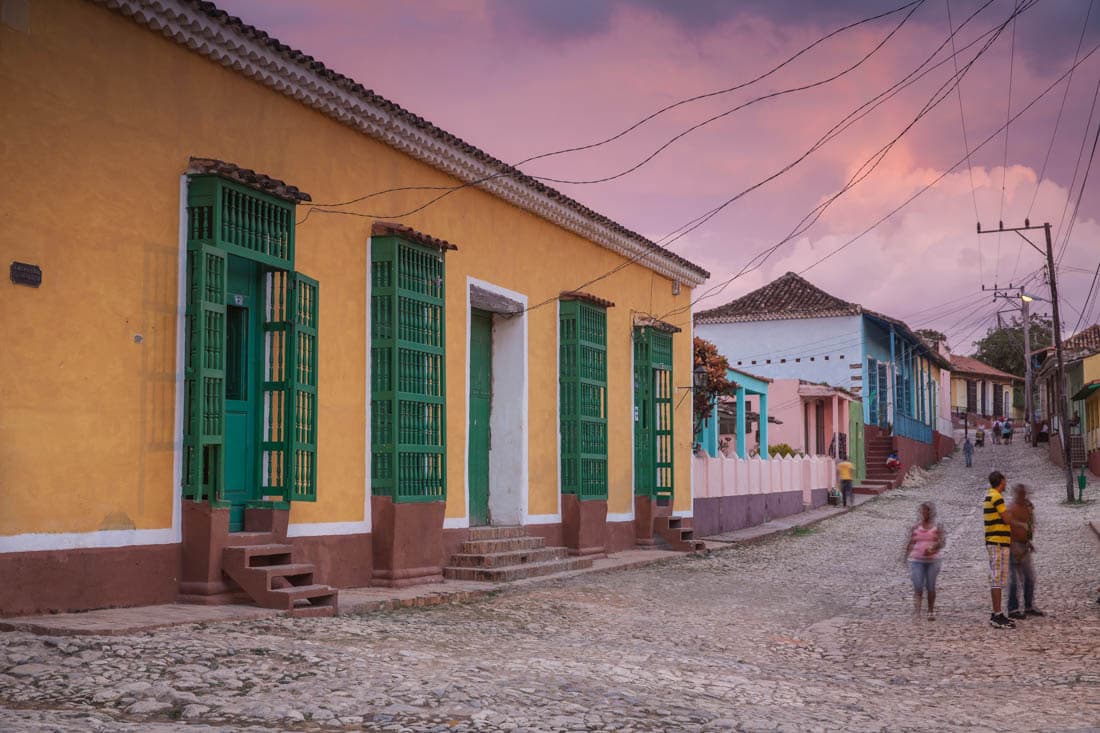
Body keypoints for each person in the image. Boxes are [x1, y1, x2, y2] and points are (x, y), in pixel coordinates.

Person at [1006, 484, 1045, 620]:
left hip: (1024, 546)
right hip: (1014, 546)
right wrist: (1012, 546)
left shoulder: (1027, 508)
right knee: (1013, 580)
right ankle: (1013, 608)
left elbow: (1029, 526)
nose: (1024, 496)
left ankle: (1028, 606)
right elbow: (1007, 528)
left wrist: (1029, 541)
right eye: (1021, 493)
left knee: (1029, 578)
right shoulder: (1011, 509)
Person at [984, 470, 1017, 628]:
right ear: (1001, 481)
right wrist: (1011, 513)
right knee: (997, 577)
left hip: (997, 541)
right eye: (1005, 480)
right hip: (997, 541)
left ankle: (997, 612)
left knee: (998, 577)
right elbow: (1006, 519)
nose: (1006, 483)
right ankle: (997, 615)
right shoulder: (997, 497)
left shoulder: (991, 495)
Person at [904, 502, 945, 621]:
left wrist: (933, 548)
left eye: (926, 511)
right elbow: (911, 542)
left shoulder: (937, 526)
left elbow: (942, 542)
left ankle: (930, 611)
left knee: (930, 586)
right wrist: (906, 556)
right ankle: (917, 611)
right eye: (922, 511)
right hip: (917, 560)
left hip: (933, 560)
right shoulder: (915, 527)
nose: (924, 513)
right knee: (918, 586)